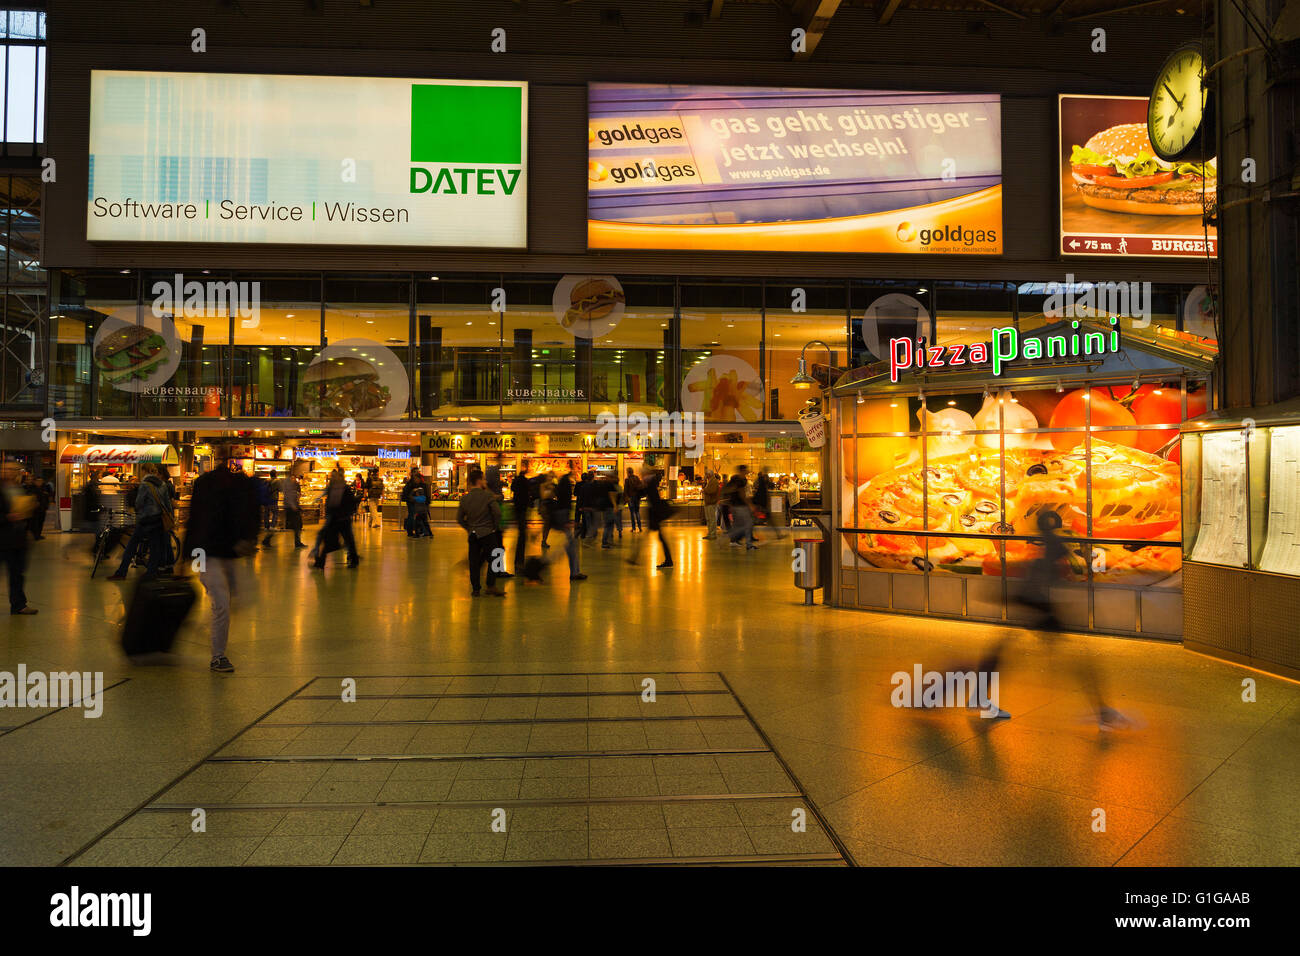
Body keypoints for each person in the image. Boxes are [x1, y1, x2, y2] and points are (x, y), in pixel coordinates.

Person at [183, 446, 260, 672]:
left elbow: (194, 518)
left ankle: (210, 629)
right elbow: (196, 518)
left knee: (237, 600)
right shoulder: (220, 485)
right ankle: (218, 656)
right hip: (206, 555)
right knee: (222, 603)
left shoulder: (228, 485)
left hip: (220, 554)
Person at [108, 463, 173, 580]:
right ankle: (151, 573)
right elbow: (167, 504)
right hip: (158, 520)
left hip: (145, 520)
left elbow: (138, 503)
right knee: (155, 548)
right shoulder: (163, 485)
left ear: (145, 472)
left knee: (132, 546)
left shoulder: (144, 485)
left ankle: (121, 572)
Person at [457, 468, 505, 597]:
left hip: (472, 534)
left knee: (474, 561)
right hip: (487, 533)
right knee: (496, 556)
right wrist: (493, 527)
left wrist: (469, 528)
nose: (485, 481)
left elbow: (460, 519)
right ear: (479, 481)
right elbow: (497, 513)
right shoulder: (487, 496)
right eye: (483, 479)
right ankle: (491, 585)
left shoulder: (465, 498)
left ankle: (476, 589)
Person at [0, 462, 37, 615]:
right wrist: (7, 517)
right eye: (7, 469)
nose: (10, 472)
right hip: (1, 537)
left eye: (14, 469)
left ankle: (19, 605)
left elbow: (24, 512)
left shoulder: (20, 489)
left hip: (17, 539)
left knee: (17, 573)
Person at [313, 466, 360, 569]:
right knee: (331, 539)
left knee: (348, 540)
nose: (333, 479)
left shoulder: (345, 489)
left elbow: (350, 503)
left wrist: (347, 513)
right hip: (335, 518)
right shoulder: (333, 489)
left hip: (343, 518)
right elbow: (331, 503)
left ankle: (354, 559)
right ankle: (321, 561)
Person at [549, 466, 584, 581]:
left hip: (561, 515)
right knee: (569, 546)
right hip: (563, 515)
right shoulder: (565, 494)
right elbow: (565, 510)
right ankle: (574, 572)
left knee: (569, 545)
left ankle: (575, 571)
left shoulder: (559, 491)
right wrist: (568, 522)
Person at [643, 467, 673, 569]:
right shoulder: (651, 483)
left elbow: (652, 499)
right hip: (656, 515)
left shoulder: (649, 484)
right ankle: (668, 560)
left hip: (656, 515)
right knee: (661, 538)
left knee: (661, 538)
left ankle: (669, 560)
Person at [724, 471, 758, 551]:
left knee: (737, 525)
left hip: (734, 508)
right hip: (741, 508)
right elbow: (743, 496)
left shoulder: (731, 487)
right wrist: (750, 505)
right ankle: (749, 545)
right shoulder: (740, 486)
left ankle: (733, 540)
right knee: (748, 524)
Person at [511, 463, 532, 571]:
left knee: (521, 533)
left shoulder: (516, 481)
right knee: (522, 535)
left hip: (517, 507)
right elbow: (529, 494)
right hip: (522, 509)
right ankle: (519, 563)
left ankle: (518, 562)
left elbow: (512, 489)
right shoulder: (526, 482)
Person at [279, 469, 306, 548]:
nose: (293, 479)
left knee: (297, 526)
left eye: (294, 478)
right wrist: (293, 505)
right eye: (292, 478)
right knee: (295, 525)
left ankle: (298, 542)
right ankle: (268, 537)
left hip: (293, 507)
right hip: (290, 508)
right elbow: (288, 497)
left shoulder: (295, 485)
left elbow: (298, 494)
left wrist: (297, 500)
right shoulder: (288, 486)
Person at [596, 472, 617, 548]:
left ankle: (608, 541)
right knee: (608, 525)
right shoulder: (610, 485)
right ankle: (605, 542)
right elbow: (611, 495)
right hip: (609, 507)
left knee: (609, 524)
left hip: (604, 507)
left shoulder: (602, 484)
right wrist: (615, 506)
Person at [259, 469, 279, 547]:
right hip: (273, 500)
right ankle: (272, 525)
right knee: (275, 513)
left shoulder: (266, 481)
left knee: (266, 513)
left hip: (266, 500)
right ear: (276, 474)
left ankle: (266, 526)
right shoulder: (277, 481)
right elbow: (280, 489)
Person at [702, 470, 722, 540]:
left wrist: (704, 490)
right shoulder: (710, 481)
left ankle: (713, 534)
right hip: (708, 502)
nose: (705, 476)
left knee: (711, 519)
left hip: (711, 502)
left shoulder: (713, 481)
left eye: (706, 474)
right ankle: (710, 533)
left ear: (709, 474)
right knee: (708, 519)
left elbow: (712, 491)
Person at [577, 470, 596, 542]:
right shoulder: (595, 485)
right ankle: (593, 533)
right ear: (593, 477)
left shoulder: (583, 486)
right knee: (593, 520)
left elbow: (581, 497)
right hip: (593, 506)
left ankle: (589, 534)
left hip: (586, 506)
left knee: (587, 521)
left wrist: (580, 506)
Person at [624, 467, 643, 532]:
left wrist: (626, 498)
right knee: (637, 512)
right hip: (637, 497)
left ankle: (633, 528)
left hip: (631, 498)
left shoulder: (627, 480)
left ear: (628, 472)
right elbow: (641, 486)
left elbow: (625, 490)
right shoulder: (637, 478)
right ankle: (640, 527)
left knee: (632, 513)